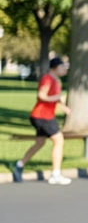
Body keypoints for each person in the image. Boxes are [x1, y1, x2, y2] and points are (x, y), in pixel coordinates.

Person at [12, 57, 72, 185]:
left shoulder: (56, 81)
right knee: (59, 140)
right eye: (62, 67)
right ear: (55, 67)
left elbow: (55, 98)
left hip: (45, 116)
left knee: (40, 142)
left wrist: (63, 106)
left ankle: (19, 164)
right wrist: (56, 97)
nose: (64, 70)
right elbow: (41, 95)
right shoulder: (47, 79)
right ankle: (55, 174)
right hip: (42, 116)